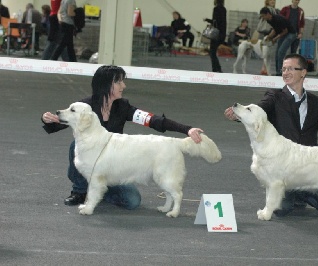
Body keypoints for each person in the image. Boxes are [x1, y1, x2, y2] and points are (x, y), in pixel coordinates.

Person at [224, 53, 318, 218]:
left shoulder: (317, 103)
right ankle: (292, 196)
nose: (285, 72)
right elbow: (258, 112)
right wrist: (238, 116)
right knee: (281, 209)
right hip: (285, 169)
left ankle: (302, 195)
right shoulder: (274, 97)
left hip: (313, 168)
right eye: (283, 69)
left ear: (303, 72)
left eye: (290, 69)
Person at [41, 65, 204, 208]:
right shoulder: (85, 106)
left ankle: (99, 190)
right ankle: (80, 191)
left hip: (115, 166)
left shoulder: (123, 107)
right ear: (106, 85)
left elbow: (153, 120)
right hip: (90, 164)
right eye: (118, 82)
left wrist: (187, 130)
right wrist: (47, 119)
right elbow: (57, 124)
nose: (123, 85)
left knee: (132, 201)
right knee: (74, 146)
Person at [260, 7, 297, 76]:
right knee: (277, 53)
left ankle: (280, 73)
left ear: (268, 14)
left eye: (263, 16)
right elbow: (275, 29)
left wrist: (275, 38)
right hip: (283, 33)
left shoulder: (278, 19)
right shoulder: (269, 20)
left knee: (281, 52)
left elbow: (285, 31)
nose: (263, 18)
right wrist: (269, 36)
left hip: (291, 33)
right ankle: (278, 71)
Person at [204, 0, 226, 73]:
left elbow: (215, 21)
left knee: (212, 52)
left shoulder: (216, 9)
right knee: (214, 51)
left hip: (216, 33)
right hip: (223, 33)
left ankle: (216, 68)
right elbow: (222, 22)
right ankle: (217, 68)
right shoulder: (224, 9)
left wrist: (207, 20)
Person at [257, 0, 278, 75]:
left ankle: (265, 68)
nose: (273, 1)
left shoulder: (275, 10)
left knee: (269, 53)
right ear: (267, 1)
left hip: (273, 31)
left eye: (274, 0)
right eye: (271, 0)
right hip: (266, 32)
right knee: (266, 53)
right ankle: (264, 68)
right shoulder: (265, 9)